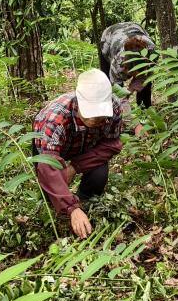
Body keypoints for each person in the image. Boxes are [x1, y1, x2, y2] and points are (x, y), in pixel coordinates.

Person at [32, 69, 124, 239]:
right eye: (91, 114)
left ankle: (84, 202)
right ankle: (66, 212)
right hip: (51, 148)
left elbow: (112, 144)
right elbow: (48, 166)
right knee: (51, 189)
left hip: (87, 146)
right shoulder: (55, 118)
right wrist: (71, 208)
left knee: (98, 176)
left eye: (100, 115)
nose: (96, 120)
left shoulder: (115, 108)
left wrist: (75, 166)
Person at [99, 21, 155, 109]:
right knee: (107, 82)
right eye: (133, 73)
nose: (136, 76)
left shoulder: (152, 54)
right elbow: (117, 92)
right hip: (109, 35)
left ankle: (144, 110)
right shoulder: (117, 64)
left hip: (135, 28)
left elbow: (147, 78)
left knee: (146, 85)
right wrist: (126, 95)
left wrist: (134, 86)